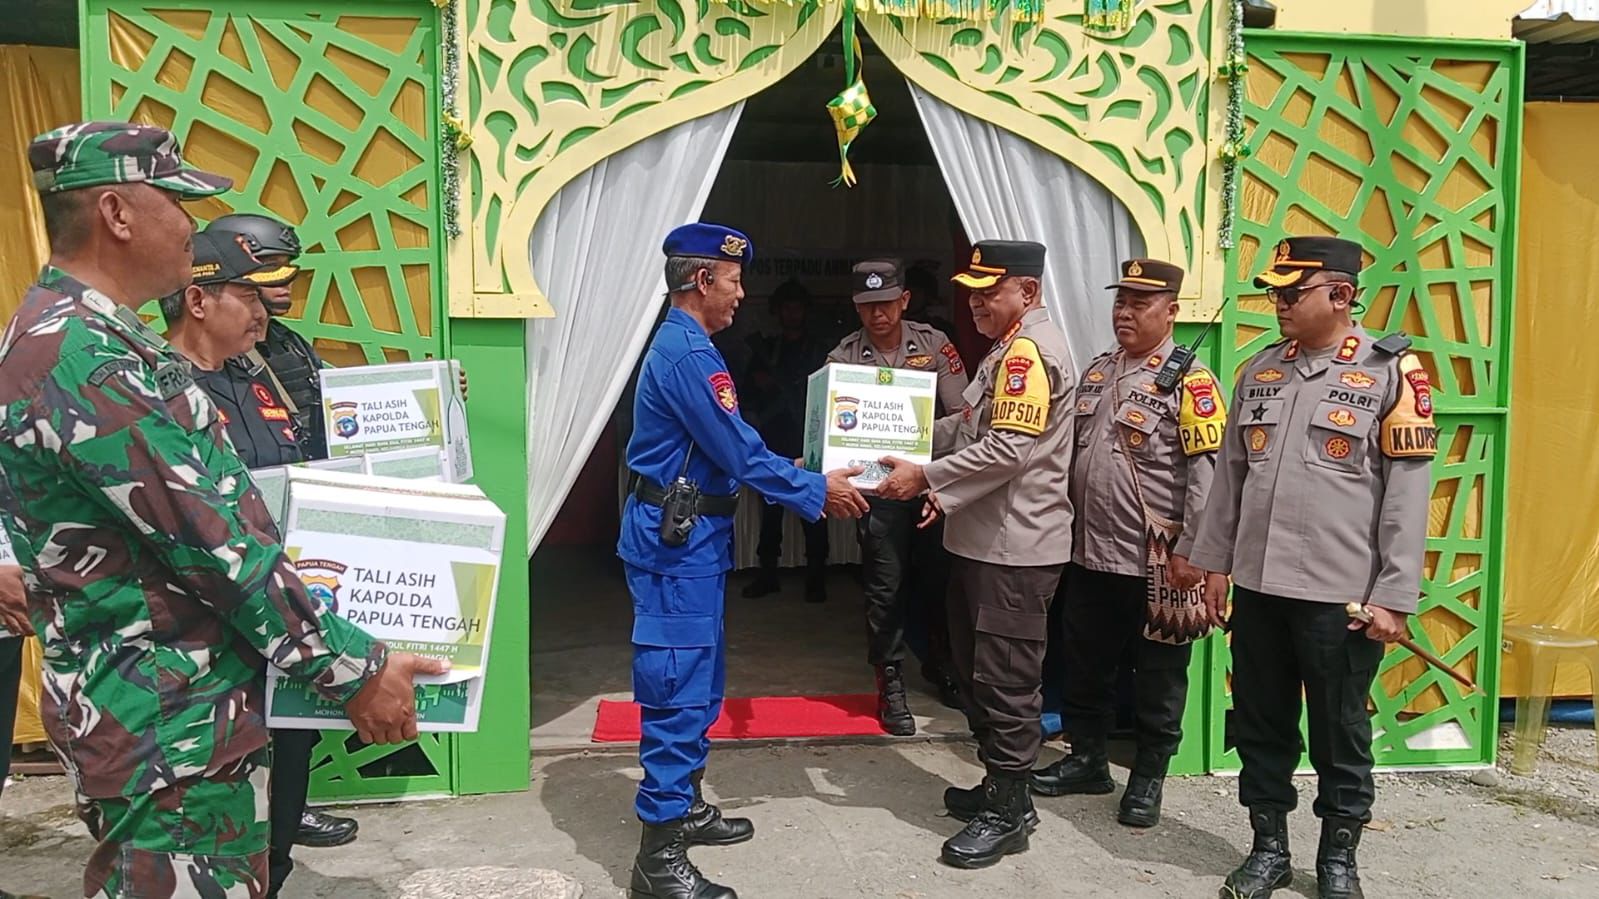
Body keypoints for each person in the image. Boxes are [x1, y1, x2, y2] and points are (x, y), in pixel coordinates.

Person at [0, 120, 444, 899]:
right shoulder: (85, 358)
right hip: (164, 726)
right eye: (175, 200)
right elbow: (217, 547)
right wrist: (356, 670)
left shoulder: (89, 337)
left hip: (170, 717)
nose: (189, 225)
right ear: (117, 212)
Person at [620, 223, 868, 899]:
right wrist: (814, 489)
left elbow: (728, 447)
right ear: (702, 280)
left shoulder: (693, 348)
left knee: (700, 682)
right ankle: (658, 858)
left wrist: (795, 466)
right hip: (674, 547)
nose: (740, 294)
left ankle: (686, 805)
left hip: (693, 541)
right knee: (676, 689)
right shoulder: (687, 355)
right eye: (733, 282)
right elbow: (736, 451)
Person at [1188, 236, 1436, 899]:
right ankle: (1267, 849)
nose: (1280, 303)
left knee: (1339, 731)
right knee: (1261, 723)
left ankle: (1337, 861)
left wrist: (1395, 595)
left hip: (1340, 597)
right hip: (1260, 588)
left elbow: (1406, 495)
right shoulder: (1260, 370)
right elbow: (1229, 480)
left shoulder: (1391, 373)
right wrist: (1214, 564)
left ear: (1341, 295)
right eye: (1276, 291)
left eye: (1293, 292)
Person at [161, 227, 359, 895]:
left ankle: (274, 873)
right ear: (198, 300)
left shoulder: (262, 372)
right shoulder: (154, 391)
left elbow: (319, 448)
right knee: (210, 808)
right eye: (249, 295)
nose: (264, 309)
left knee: (290, 759)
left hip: (283, 615)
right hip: (206, 638)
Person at [877, 240, 1075, 869]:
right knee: (975, 671)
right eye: (972, 293)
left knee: (1007, 681)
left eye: (990, 292)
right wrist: (891, 435)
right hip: (984, 541)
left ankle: (1010, 811)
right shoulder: (1006, 350)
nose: (976, 303)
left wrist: (925, 477)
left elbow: (1008, 450)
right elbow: (969, 429)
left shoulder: (1028, 355)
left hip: (1015, 549)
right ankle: (999, 785)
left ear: (1028, 292)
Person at [1029, 259, 1224, 828]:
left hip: (1160, 559)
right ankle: (1087, 760)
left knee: (1159, 674)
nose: (1125, 313)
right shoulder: (1098, 371)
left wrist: (1196, 550)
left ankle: (1148, 778)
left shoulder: (1192, 381)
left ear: (1172, 311)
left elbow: (1208, 475)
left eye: (1141, 303)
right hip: (1091, 552)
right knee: (1086, 663)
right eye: (1121, 301)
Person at [825, 259, 968, 735]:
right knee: (885, 590)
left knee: (939, 582)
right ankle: (889, 681)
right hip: (877, 492)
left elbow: (964, 416)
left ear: (904, 300)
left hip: (929, 485)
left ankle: (941, 663)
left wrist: (919, 447)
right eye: (867, 306)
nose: (877, 315)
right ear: (856, 307)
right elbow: (829, 430)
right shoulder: (843, 358)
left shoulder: (934, 344)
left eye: (886, 303)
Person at [740, 279, 832, 602]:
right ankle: (767, 574)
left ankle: (816, 578)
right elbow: (746, 396)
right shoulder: (767, 350)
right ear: (777, 312)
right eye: (787, 308)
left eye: (797, 308)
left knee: (814, 509)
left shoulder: (819, 352)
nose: (792, 314)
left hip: (809, 438)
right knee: (770, 512)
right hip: (773, 440)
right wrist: (761, 385)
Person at [208, 212, 327, 459]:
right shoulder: (215, 353)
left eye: (287, 266)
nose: (285, 280)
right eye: (270, 267)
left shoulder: (291, 343)